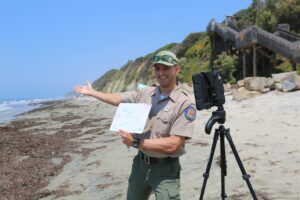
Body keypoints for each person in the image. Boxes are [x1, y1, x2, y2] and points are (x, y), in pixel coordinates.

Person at [74, 50, 196, 200]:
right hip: (140, 165)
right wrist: (93, 93)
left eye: (166, 68)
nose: (161, 73)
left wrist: (137, 142)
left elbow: (174, 144)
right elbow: (118, 99)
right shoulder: (146, 93)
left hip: (166, 170)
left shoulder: (184, 103)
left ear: (176, 69)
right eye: (158, 68)